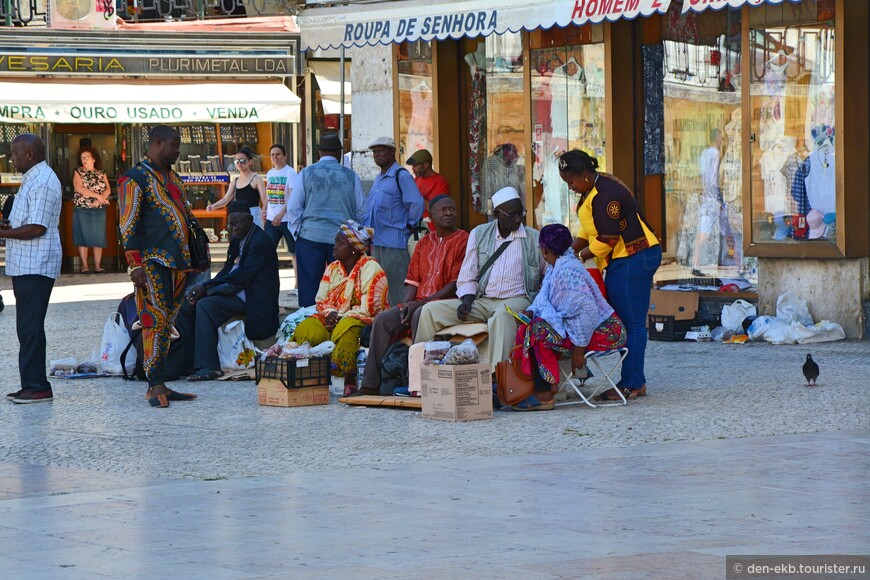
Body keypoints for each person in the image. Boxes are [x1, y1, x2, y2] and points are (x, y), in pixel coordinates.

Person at [559, 149, 661, 400]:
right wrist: (568, 252)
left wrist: (580, 257)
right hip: (621, 260)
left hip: (633, 258)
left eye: (571, 181)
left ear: (584, 174)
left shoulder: (606, 195)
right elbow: (588, 228)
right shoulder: (592, 187)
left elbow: (607, 238)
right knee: (626, 320)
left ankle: (632, 384)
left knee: (632, 323)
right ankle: (637, 380)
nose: (570, 187)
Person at [415, 187, 544, 373]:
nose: (518, 218)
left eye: (521, 213)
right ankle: (421, 375)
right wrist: (466, 301)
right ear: (497, 214)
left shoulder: (533, 238)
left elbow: (548, 275)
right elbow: (468, 274)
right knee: (429, 311)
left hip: (517, 299)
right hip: (483, 300)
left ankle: (497, 380)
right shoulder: (479, 233)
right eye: (513, 214)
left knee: (502, 315)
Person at [118, 125, 200, 408]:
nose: (178, 151)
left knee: (168, 323)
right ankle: (154, 385)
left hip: (179, 263)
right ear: (157, 144)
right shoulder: (134, 179)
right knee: (153, 320)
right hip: (151, 263)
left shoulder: (172, 177)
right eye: (174, 146)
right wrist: (134, 264)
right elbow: (127, 224)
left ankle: (162, 381)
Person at [358, 195, 469, 396]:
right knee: (383, 320)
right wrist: (407, 304)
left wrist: (420, 304)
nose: (448, 213)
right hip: (419, 302)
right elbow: (412, 281)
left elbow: (456, 283)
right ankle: (370, 385)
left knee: (420, 314)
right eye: (443, 210)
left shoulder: (464, 240)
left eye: (451, 209)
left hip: (446, 303)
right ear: (431, 216)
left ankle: (415, 384)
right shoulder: (424, 243)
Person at [511, 224, 627, 411]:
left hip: (606, 331)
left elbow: (588, 311)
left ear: (545, 250)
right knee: (529, 326)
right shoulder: (556, 266)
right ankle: (534, 386)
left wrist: (578, 353)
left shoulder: (568, 272)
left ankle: (546, 393)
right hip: (586, 328)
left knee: (537, 331)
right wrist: (530, 312)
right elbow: (544, 297)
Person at [178, 201, 279, 381]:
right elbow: (226, 271)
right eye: (231, 224)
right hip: (234, 289)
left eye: (237, 223)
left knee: (206, 306)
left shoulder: (261, 241)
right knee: (188, 304)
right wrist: (205, 286)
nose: (234, 228)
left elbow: (242, 275)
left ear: (250, 220)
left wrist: (207, 288)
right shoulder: (236, 240)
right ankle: (186, 363)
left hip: (252, 297)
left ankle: (209, 367)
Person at [291, 220, 388, 393]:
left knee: (346, 327)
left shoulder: (371, 268)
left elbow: (372, 307)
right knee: (307, 328)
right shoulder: (333, 268)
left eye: (339, 243)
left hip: (362, 320)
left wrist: (339, 317)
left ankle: (348, 378)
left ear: (354, 248)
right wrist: (330, 313)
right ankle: (309, 374)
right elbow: (321, 299)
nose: (334, 247)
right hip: (332, 317)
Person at [1, 134, 62, 404]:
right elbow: (24, 219)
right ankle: (31, 384)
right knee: (27, 328)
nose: (11, 159)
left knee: (30, 328)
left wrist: (6, 233)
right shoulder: (33, 179)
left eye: (14, 154)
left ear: (29, 154)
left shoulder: (44, 181)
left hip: (36, 265)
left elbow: (37, 227)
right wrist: (8, 228)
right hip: (26, 263)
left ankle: (38, 386)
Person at [287, 132, 365, 308]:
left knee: (309, 287)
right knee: (341, 286)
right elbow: (361, 211)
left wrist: (298, 232)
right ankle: (338, 323)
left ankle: (308, 322)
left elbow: (293, 207)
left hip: (310, 237)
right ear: (338, 153)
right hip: (343, 240)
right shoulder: (351, 175)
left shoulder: (306, 173)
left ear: (319, 152)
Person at [363, 136, 424, 306]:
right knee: (380, 288)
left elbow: (416, 203)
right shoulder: (379, 178)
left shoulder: (401, 176)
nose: (377, 155)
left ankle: (400, 323)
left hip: (395, 243)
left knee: (397, 288)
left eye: (381, 151)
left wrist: (409, 226)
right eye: (374, 152)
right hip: (377, 243)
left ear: (392, 152)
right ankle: (385, 324)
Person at [692, 129, 733, 276]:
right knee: (716, 231)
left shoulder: (704, 153)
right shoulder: (715, 153)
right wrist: (717, 198)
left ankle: (697, 263)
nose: (722, 141)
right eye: (721, 138)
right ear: (717, 139)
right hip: (712, 197)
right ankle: (731, 263)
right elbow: (712, 178)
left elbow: (704, 176)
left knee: (706, 232)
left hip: (706, 196)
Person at [263, 143, 298, 286]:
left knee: (294, 253)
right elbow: (267, 194)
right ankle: (270, 281)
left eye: (278, 154)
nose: (275, 157)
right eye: (272, 155)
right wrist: (264, 210)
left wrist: (281, 214)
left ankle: (298, 282)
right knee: (268, 252)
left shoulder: (291, 173)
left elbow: (292, 197)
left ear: (285, 156)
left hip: (287, 219)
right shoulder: (270, 173)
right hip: (271, 220)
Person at [72, 146, 111, 273]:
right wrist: (98, 196)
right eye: (82, 158)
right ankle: (84, 265)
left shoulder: (102, 172)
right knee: (83, 236)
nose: (84, 160)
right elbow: (79, 188)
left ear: (93, 159)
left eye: (86, 157)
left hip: (99, 209)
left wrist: (100, 199)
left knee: (98, 237)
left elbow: (108, 190)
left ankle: (98, 266)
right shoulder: (78, 172)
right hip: (83, 208)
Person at [207, 147, 266, 228]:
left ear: (250, 162)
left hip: (254, 215)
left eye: (242, 161)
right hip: (240, 216)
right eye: (237, 161)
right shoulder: (235, 181)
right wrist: (213, 206)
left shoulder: (257, 178)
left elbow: (264, 198)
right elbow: (225, 199)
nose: (239, 163)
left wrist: (264, 211)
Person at [406, 149, 449, 229]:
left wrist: (417, 197)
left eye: (415, 166)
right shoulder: (416, 180)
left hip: (433, 230)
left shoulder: (439, 181)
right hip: (417, 229)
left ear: (426, 165)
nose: (413, 169)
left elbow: (437, 210)